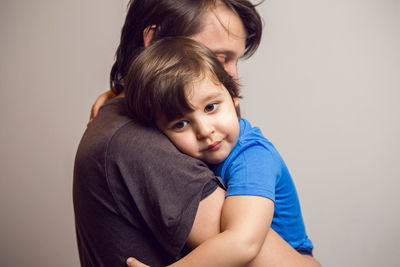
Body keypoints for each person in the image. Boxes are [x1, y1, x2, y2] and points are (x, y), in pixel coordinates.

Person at [74, 0, 320, 266]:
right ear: (155, 40)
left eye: (234, 60)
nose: (232, 79)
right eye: (217, 57)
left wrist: (116, 95)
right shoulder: (138, 143)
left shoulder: (246, 154)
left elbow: (243, 242)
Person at [122, 36, 318, 267]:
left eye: (210, 107)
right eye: (180, 124)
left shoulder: (252, 157)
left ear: (233, 96)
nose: (205, 131)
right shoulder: (182, 155)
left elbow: (242, 242)